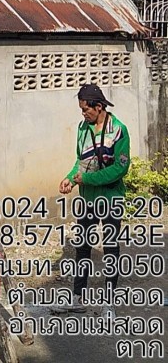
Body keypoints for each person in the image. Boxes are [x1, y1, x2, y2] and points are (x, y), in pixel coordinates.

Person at [54, 83, 130, 320]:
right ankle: (77, 298)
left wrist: (86, 178)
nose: (83, 113)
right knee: (83, 247)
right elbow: (81, 160)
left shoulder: (118, 130)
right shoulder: (82, 128)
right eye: (81, 110)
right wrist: (70, 179)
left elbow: (121, 168)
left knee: (110, 249)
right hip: (87, 198)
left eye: (86, 109)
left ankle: (109, 303)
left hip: (110, 197)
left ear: (99, 107)